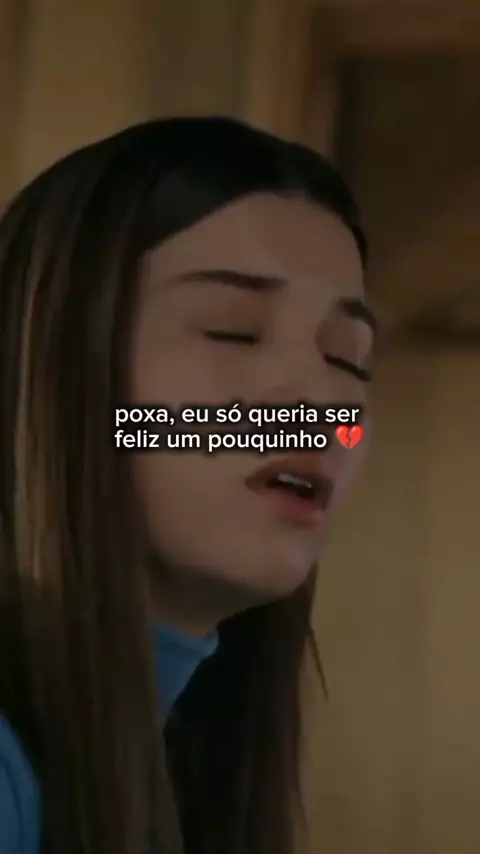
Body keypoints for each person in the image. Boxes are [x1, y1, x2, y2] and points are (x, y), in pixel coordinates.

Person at [0, 117, 373, 854]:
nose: (320, 400)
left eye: (349, 358)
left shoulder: (186, 757)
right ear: (49, 368)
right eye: (233, 330)